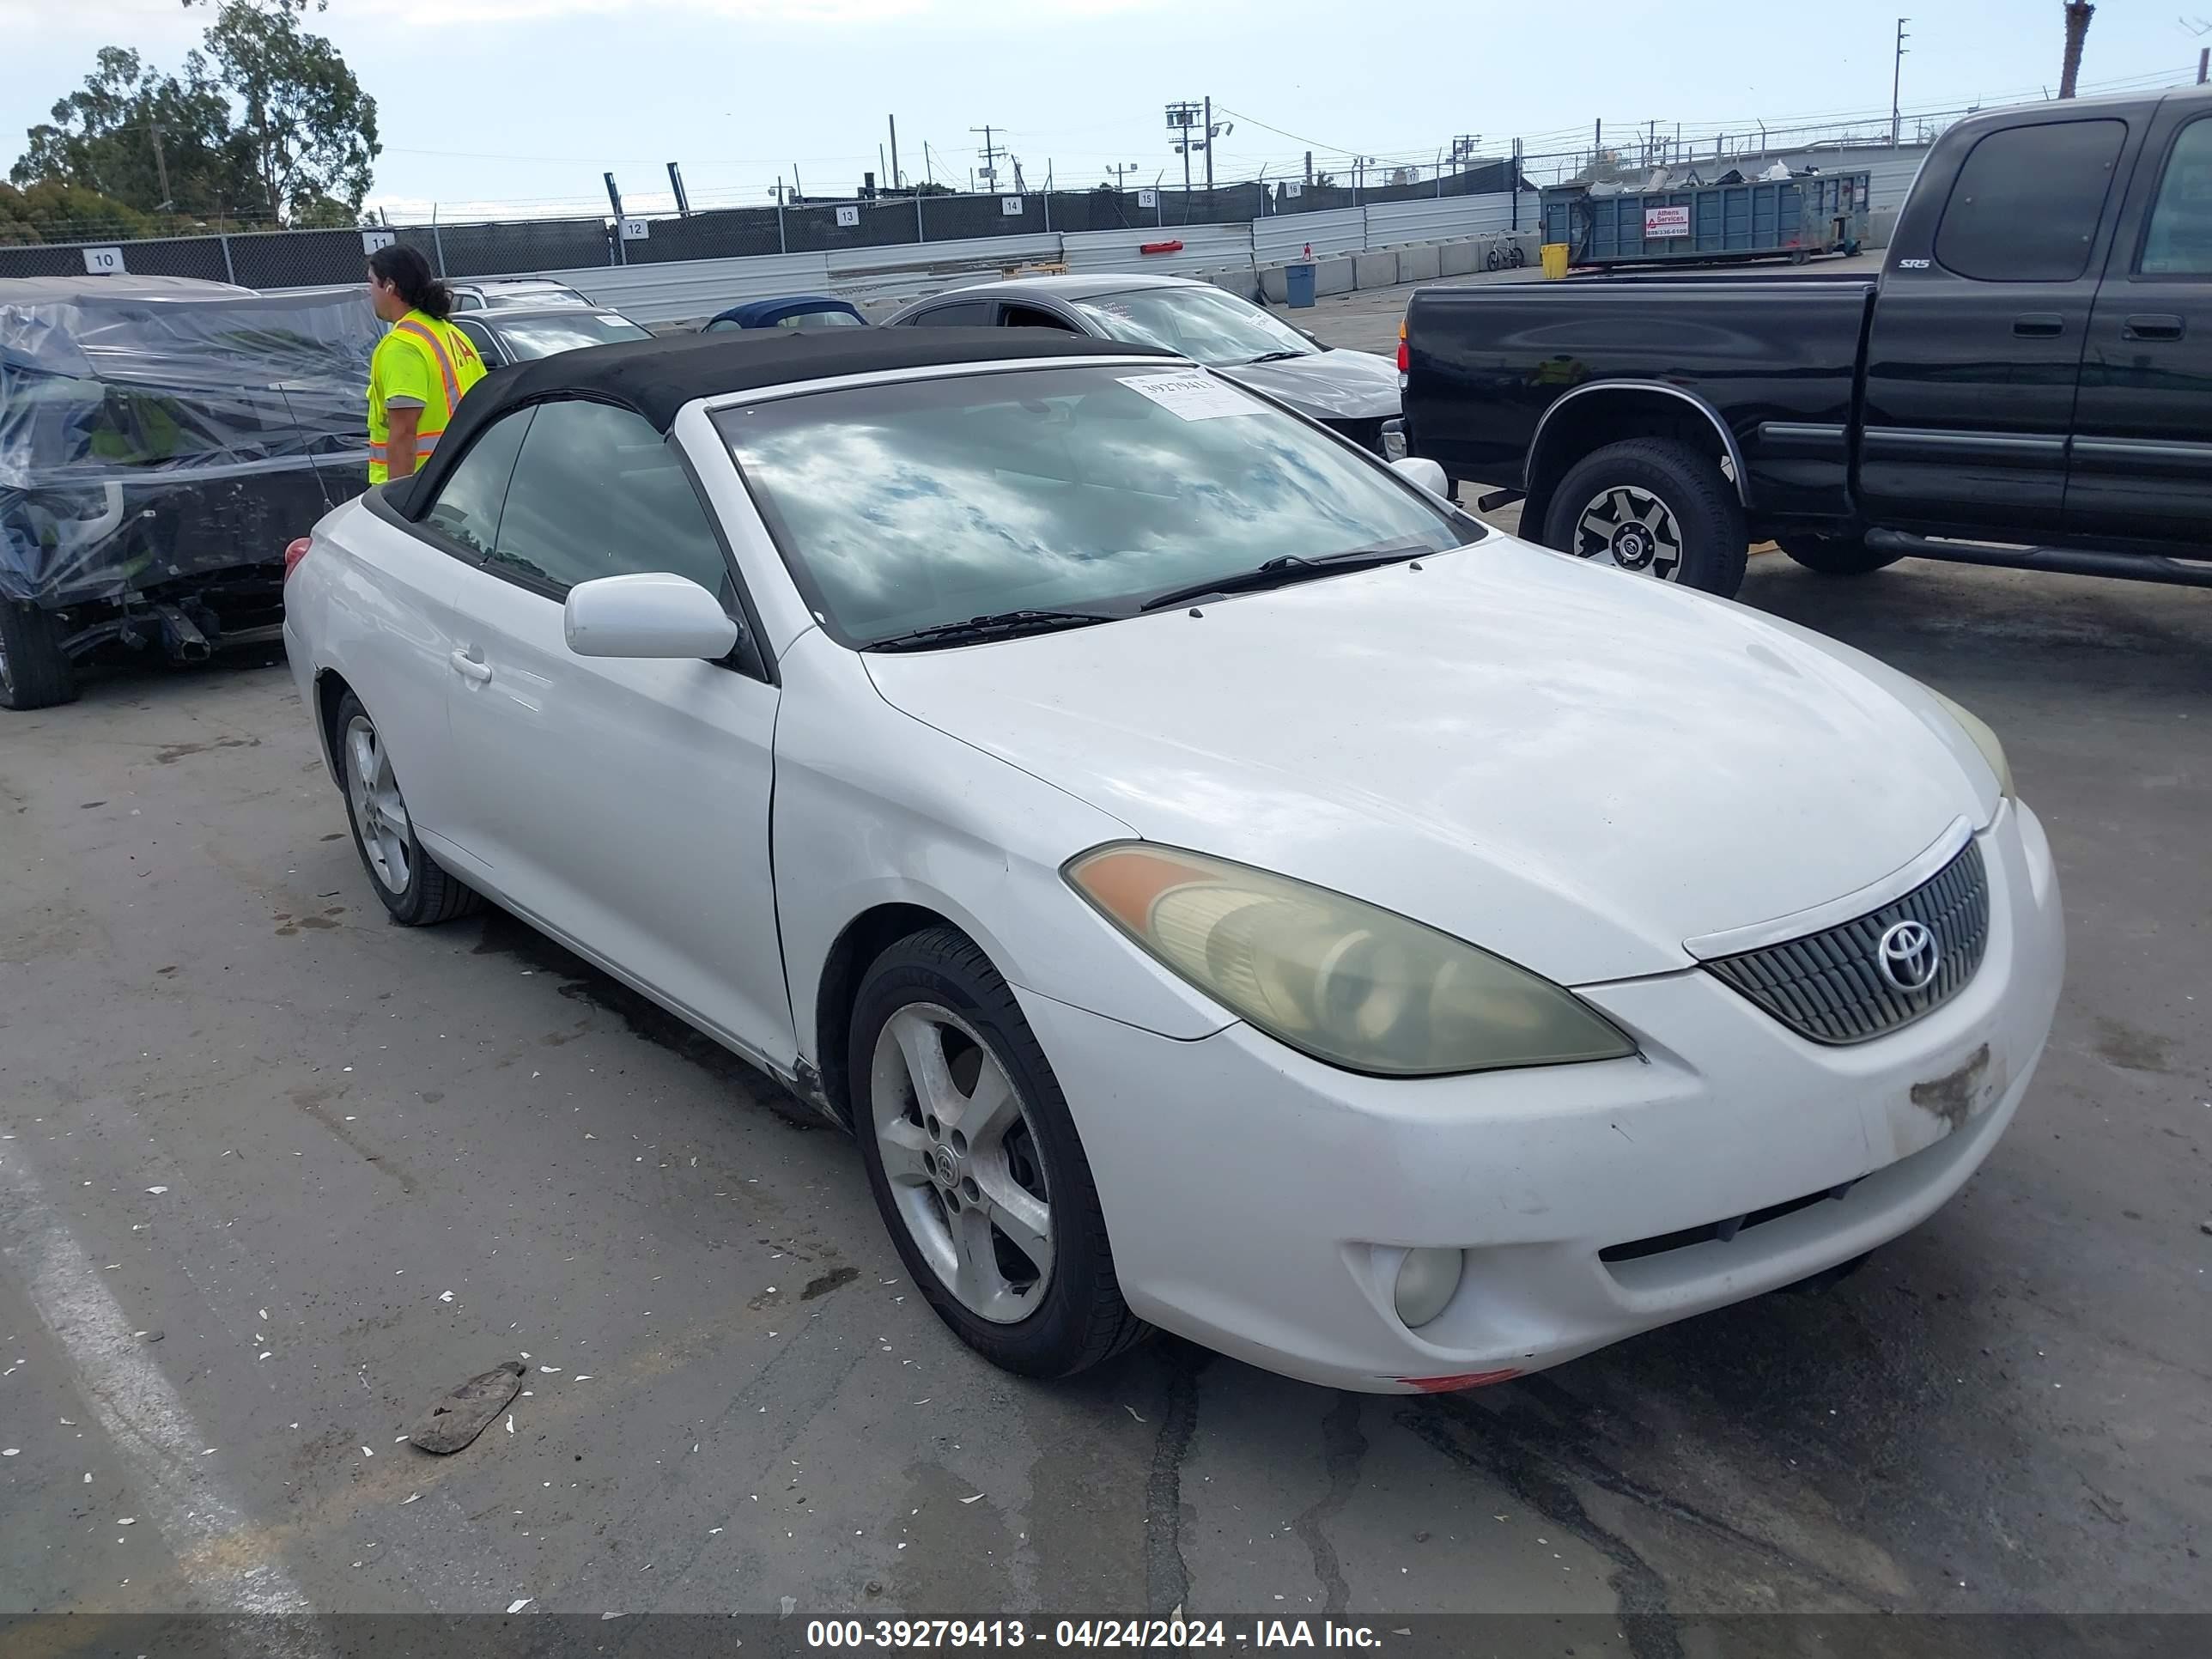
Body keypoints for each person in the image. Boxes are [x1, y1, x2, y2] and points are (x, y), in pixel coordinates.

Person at [364, 245, 485, 486]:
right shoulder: (449, 332)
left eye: (371, 282)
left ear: (389, 285)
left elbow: (403, 434)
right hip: (463, 479)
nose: (369, 292)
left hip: (425, 490)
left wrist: (395, 505)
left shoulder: (402, 345)